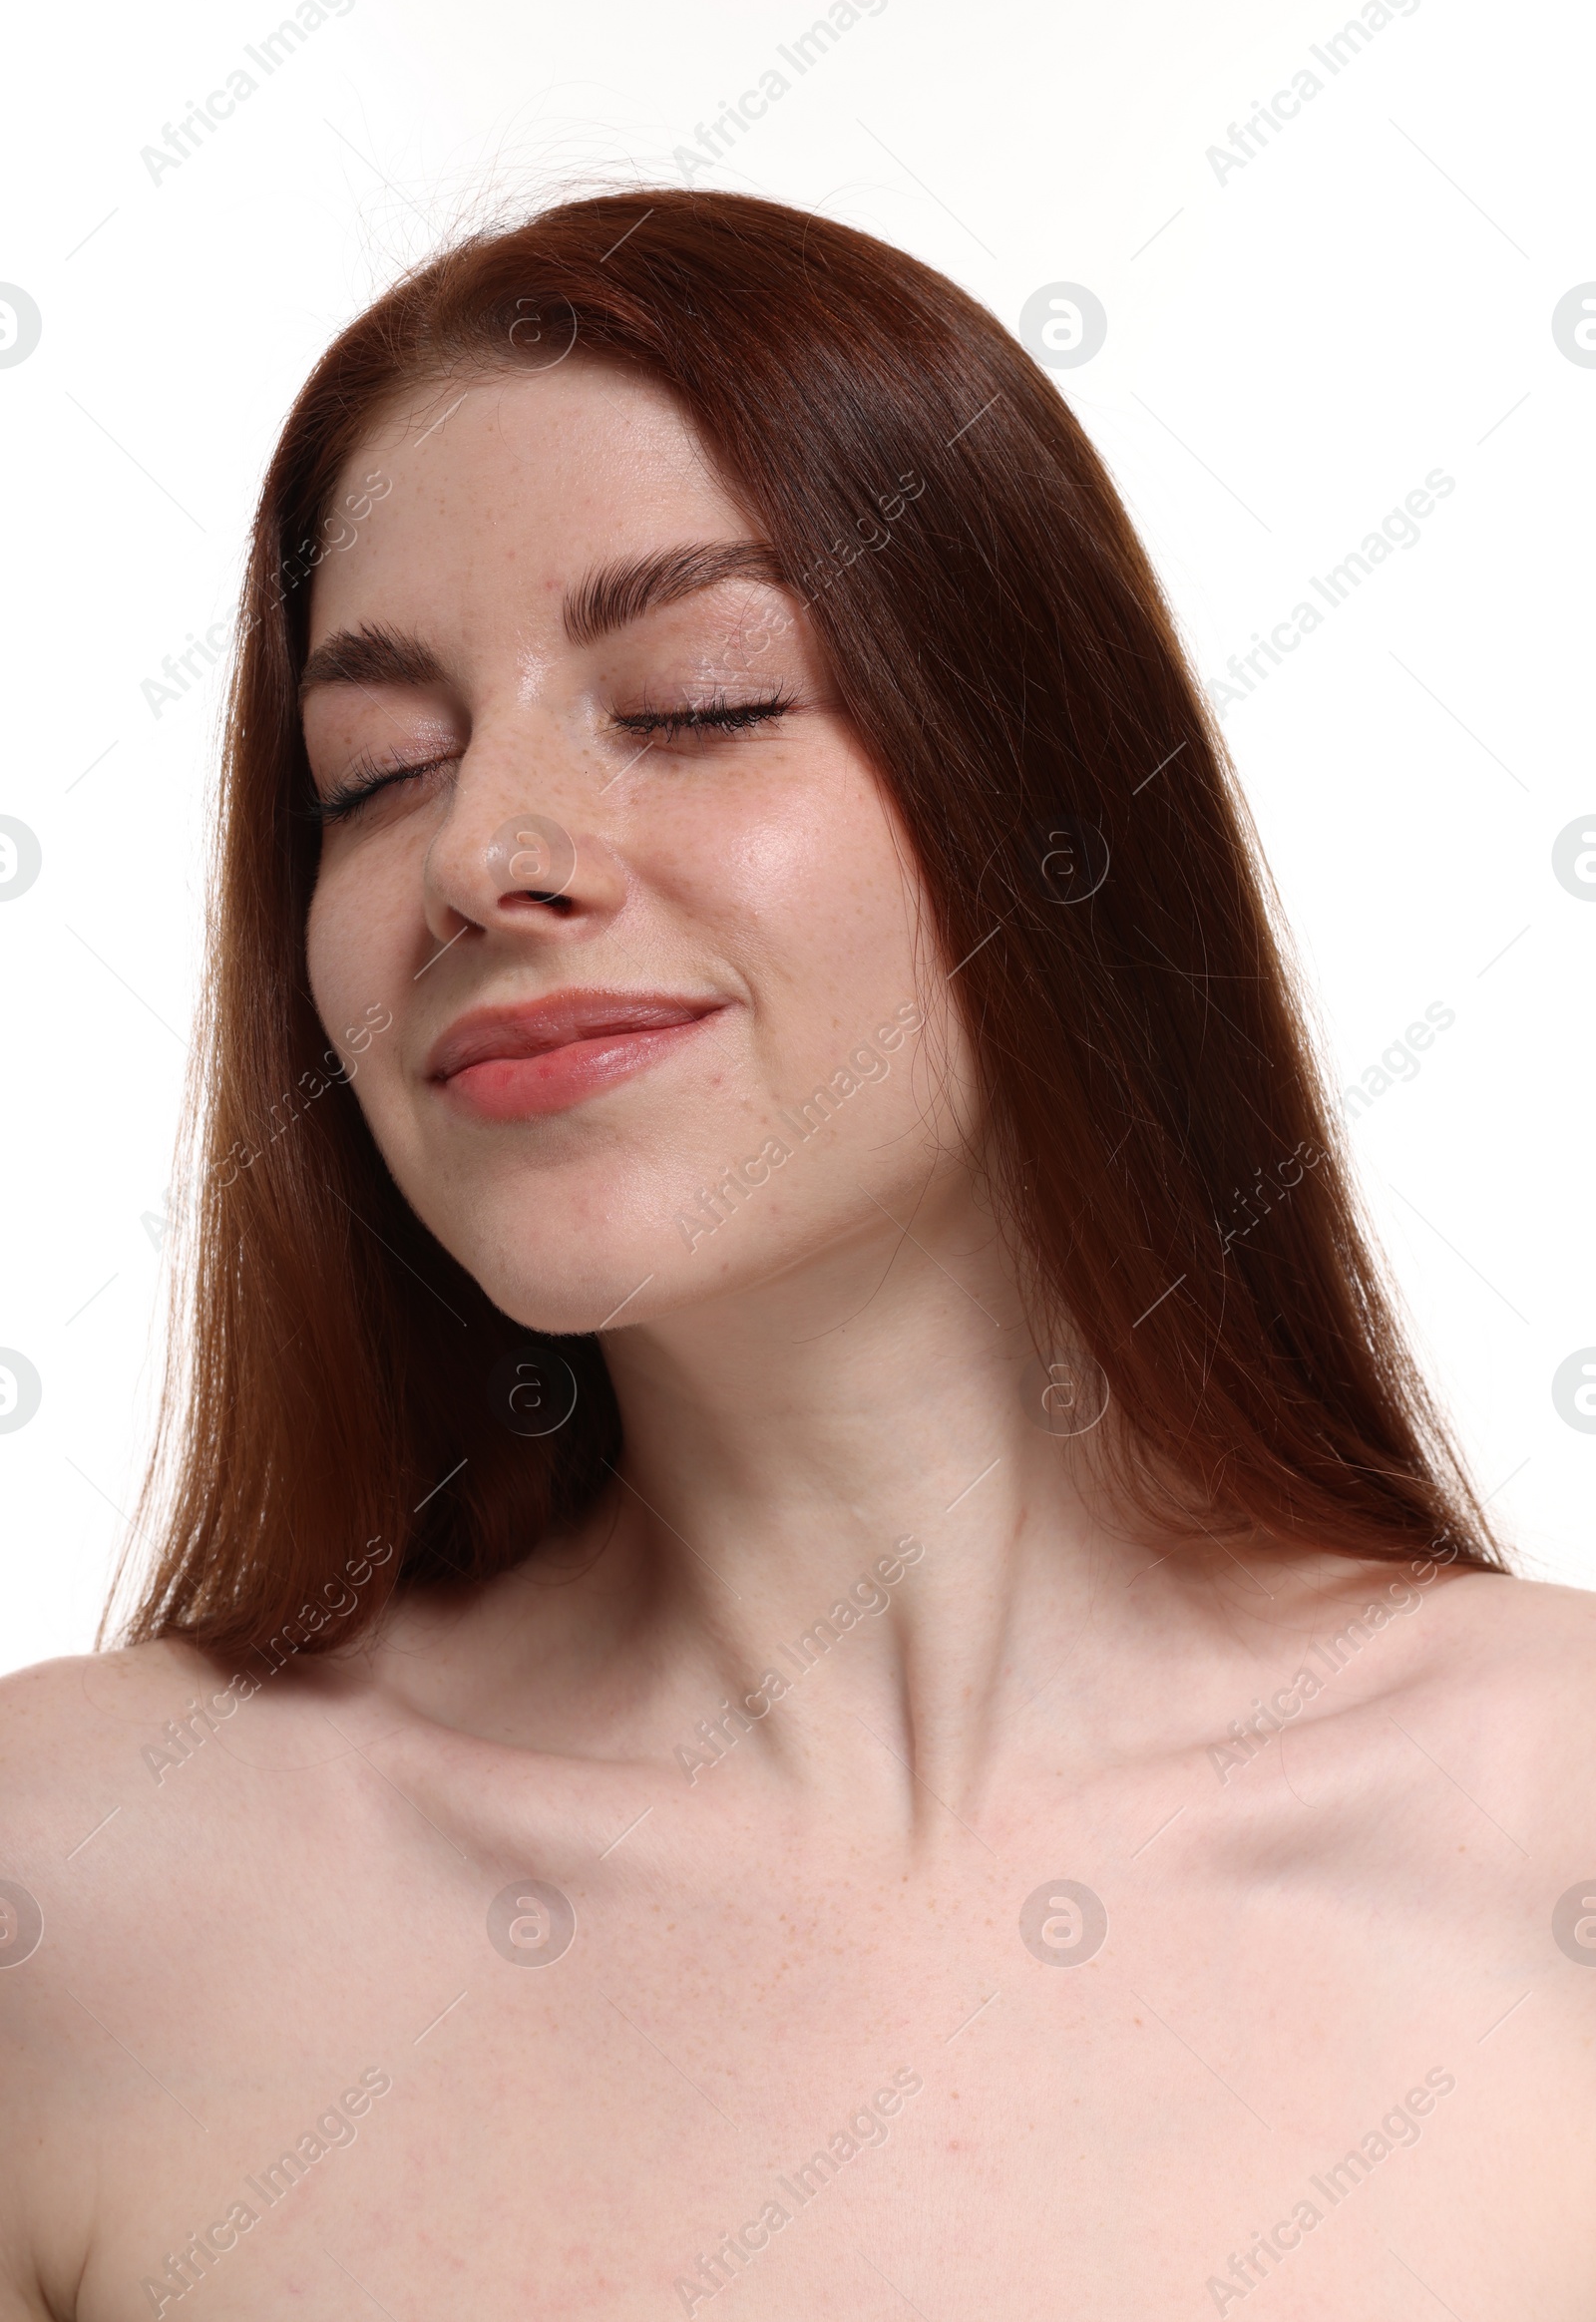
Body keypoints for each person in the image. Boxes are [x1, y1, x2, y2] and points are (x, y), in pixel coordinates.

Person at [1, 190, 1590, 2320]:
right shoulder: (82, 1899)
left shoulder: (1544, 1835)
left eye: (694, 699)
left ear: (1043, 804)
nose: (478, 857)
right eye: (374, 771)